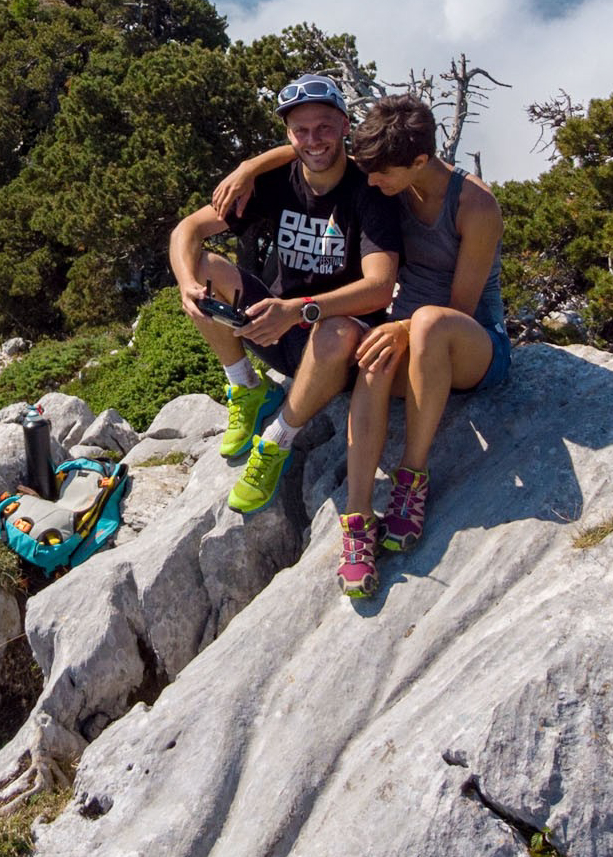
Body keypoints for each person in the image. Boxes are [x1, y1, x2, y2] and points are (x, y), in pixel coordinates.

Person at [215, 93, 510, 599]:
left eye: (381, 176)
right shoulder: (392, 175)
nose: (371, 183)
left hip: (469, 343)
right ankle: (357, 523)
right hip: (407, 333)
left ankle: (411, 479)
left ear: (419, 160)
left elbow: (459, 309)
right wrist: (249, 168)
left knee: (427, 325)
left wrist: (400, 328)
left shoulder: (474, 205)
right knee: (374, 361)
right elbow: (311, 151)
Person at [170, 74, 402, 516]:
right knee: (202, 268)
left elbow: (379, 287)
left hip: (338, 348)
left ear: (345, 126)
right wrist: (187, 284)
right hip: (276, 329)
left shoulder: (368, 190)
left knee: (334, 332)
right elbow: (188, 229)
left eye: (324, 127)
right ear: (288, 134)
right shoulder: (276, 180)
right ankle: (246, 386)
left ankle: (277, 440)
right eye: (301, 130)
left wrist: (299, 311)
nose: (313, 140)